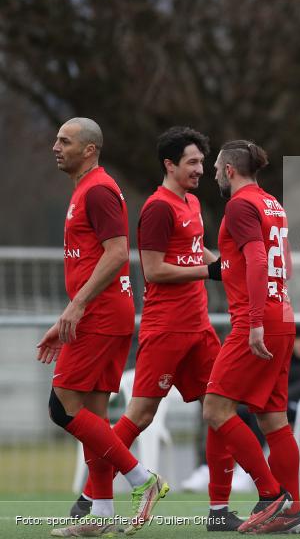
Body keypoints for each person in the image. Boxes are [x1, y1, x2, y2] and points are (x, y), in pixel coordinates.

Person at [68, 127, 243, 531]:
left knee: (219, 409)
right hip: (166, 329)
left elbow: (197, 247)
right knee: (140, 415)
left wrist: (230, 266)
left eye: (202, 161)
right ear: (169, 164)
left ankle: (219, 511)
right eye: (192, 162)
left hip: (198, 328)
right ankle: (93, 496)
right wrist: (211, 271)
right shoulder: (157, 208)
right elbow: (154, 269)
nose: (200, 169)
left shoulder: (193, 202)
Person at [37, 117, 167, 537]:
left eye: (65, 141)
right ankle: (100, 517)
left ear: (89, 150)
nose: (56, 146)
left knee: (63, 409)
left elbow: (117, 253)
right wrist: (69, 313)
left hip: (101, 316)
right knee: (93, 416)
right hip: (99, 314)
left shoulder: (98, 190)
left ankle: (142, 480)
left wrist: (75, 308)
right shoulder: (85, 190)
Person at [202, 140, 300, 534]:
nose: (212, 173)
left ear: (229, 170)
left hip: (256, 320)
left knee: (215, 409)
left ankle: (272, 496)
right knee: (274, 419)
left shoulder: (240, 205)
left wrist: (256, 320)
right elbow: (286, 265)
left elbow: (259, 258)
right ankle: (292, 513)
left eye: (215, 167)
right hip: (283, 315)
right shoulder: (272, 204)